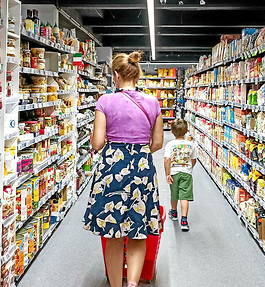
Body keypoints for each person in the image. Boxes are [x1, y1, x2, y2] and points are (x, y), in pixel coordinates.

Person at [83, 51, 164, 287]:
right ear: (136, 75)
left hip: (112, 168)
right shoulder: (152, 102)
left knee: (112, 232)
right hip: (141, 168)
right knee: (139, 230)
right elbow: (157, 143)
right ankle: (133, 284)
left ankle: (117, 284)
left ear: (116, 75)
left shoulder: (104, 101)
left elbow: (97, 143)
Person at [163, 119, 196, 231]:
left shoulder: (170, 144)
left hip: (173, 172)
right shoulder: (191, 144)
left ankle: (173, 213)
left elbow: (167, 159)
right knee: (184, 196)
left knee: (174, 193)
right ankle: (184, 220)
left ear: (172, 131)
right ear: (186, 131)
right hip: (186, 173)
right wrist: (189, 168)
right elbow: (194, 160)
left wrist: (167, 174)